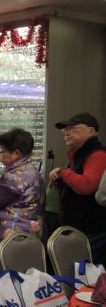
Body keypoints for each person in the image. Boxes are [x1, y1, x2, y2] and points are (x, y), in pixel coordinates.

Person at [50, 112, 106, 264]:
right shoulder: (80, 154)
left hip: (92, 231)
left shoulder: (98, 155)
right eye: (65, 129)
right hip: (81, 231)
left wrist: (63, 172)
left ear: (91, 130)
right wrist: (61, 182)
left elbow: (87, 185)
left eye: (73, 128)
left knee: (89, 275)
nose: (67, 132)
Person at [0, 128, 45, 251]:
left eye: (2, 151)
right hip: (28, 236)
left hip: (9, 240)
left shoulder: (13, 176)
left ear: (17, 153)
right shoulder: (32, 170)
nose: (0, 155)